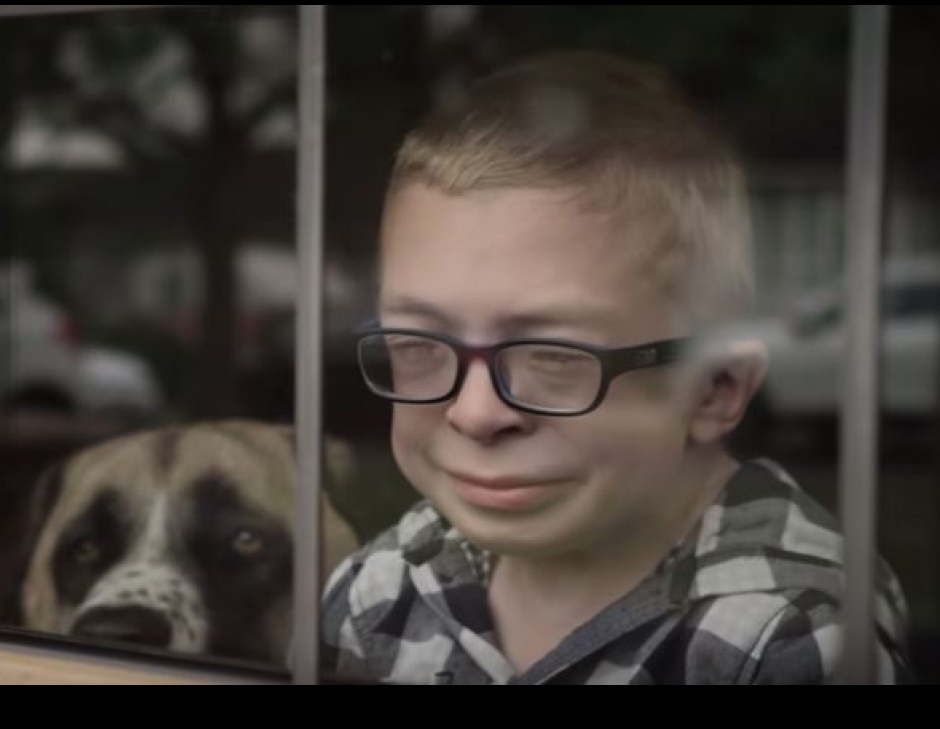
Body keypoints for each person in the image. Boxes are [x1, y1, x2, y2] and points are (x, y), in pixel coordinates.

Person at [321, 51, 912, 684]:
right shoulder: (377, 592)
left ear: (714, 388)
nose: (475, 413)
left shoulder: (791, 637)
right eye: (418, 344)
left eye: (553, 354)